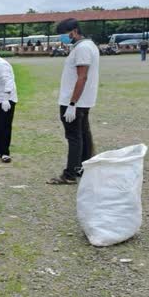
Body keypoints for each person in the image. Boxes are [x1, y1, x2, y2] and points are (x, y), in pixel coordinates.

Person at [47, 18, 100, 185]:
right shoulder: (88, 45)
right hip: (82, 101)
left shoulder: (83, 48)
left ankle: (70, 174)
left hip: (74, 101)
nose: (62, 38)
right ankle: (83, 167)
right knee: (83, 134)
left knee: (74, 137)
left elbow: (82, 77)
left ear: (74, 31)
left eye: (63, 34)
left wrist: (72, 103)